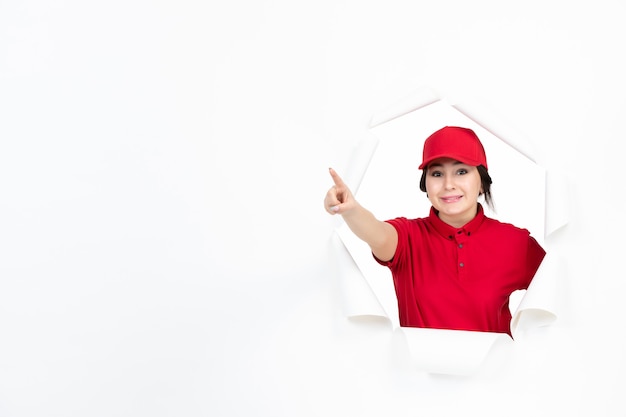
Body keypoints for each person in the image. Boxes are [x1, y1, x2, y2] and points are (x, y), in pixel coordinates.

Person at [324, 126, 546, 337]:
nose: (448, 184)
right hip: (416, 376)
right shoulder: (408, 238)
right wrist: (351, 210)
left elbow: (562, 297)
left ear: (482, 182)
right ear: (426, 185)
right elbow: (376, 232)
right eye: (437, 174)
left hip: (496, 376)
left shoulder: (516, 243)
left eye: (461, 171)